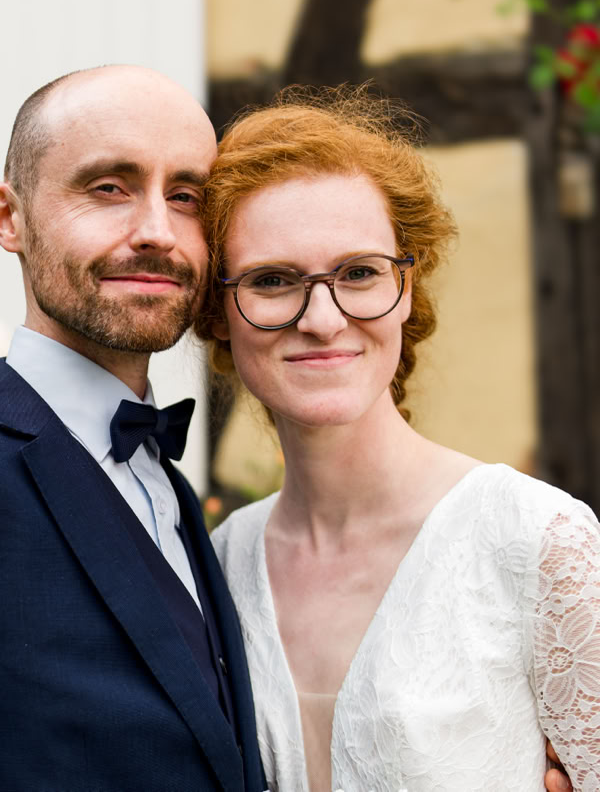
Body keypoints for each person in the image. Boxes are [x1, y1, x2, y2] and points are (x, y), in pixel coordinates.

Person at [198, 86, 599, 791]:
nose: (322, 318)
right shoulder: (219, 565)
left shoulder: (539, 541)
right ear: (220, 313)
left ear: (408, 286)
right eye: (272, 280)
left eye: (358, 272)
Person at [0, 66, 265, 791]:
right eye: (108, 188)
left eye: (186, 197)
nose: (156, 232)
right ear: (10, 218)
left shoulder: (167, 484)